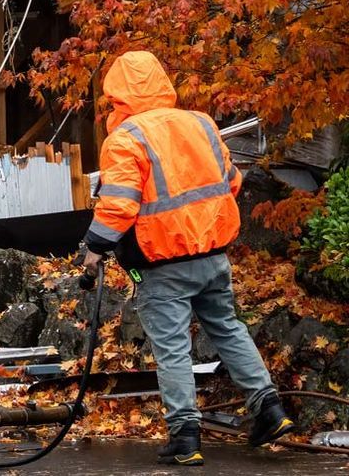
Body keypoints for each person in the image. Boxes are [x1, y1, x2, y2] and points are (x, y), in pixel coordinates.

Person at [79, 50, 294, 465]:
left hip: (161, 265)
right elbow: (230, 183)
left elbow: (119, 206)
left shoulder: (126, 139)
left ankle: (185, 436)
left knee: (173, 348)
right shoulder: (201, 123)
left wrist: (93, 252)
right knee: (228, 329)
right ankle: (270, 410)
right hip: (212, 255)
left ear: (117, 94)